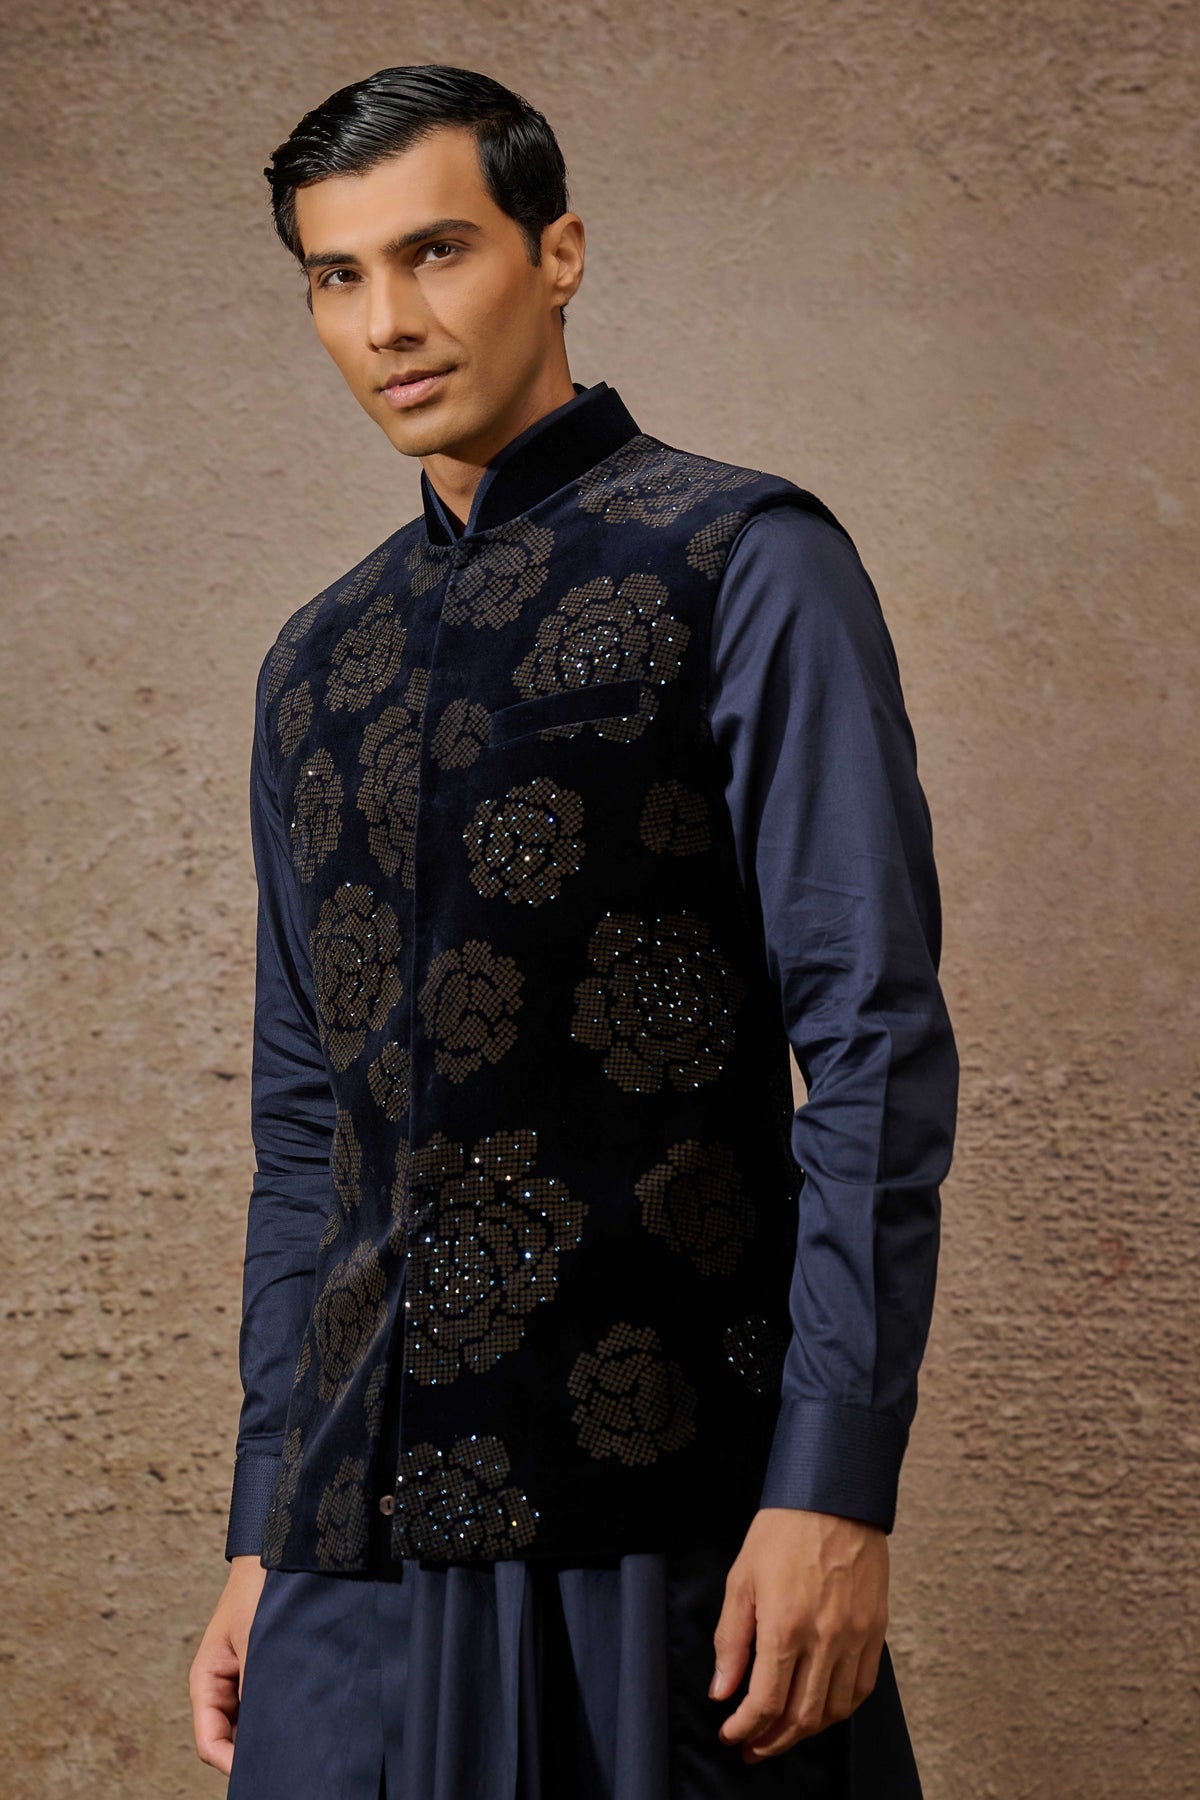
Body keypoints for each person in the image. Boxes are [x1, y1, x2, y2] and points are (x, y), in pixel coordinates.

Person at [188, 63, 959, 1799]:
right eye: (336, 275)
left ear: (559, 253)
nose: (388, 322)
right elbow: (308, 1134)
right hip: (354, 1557)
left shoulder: (744, 562)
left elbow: (874, 1047)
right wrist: (262, 1525)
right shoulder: (314, 663)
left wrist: (833, 1486)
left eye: (436, 251)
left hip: (660, 1522)